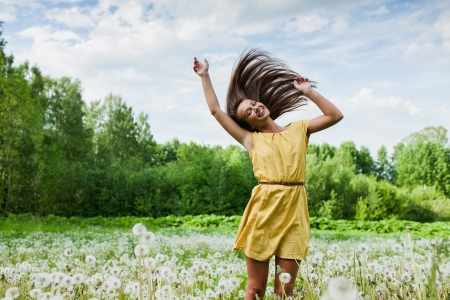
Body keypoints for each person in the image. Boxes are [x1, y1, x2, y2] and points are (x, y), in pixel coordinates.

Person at [193, 49, 343, 299]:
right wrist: (204, 76)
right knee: (256, 288)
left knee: (285, 290)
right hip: (264, 212)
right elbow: (216, 111)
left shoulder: (299, 129)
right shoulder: (250, 139)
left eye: (253, 104)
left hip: (295, 209)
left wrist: (308, 92)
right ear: (248, 124)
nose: (254, 109)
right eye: (248, 113)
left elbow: (335, 115)